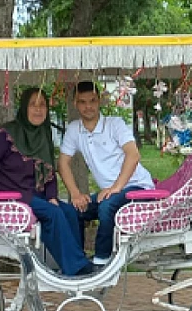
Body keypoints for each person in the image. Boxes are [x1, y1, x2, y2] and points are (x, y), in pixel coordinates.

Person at [0, 87, 92, 277]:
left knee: (69, 211)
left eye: (42, 105)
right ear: (24, 108)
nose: (38, 110)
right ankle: (76, 268)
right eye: (33, 105)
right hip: (8, 195)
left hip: (32, 194)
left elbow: (49, 169)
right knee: (53, 214)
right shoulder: (6, 133)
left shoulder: (43, 134)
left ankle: (76, 261)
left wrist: (52, 195)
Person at [58, 81, 155, 267]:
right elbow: (63, 163)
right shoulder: (74, 129)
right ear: (75, 104)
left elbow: (133, 155)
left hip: (137, 187)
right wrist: (76, 194)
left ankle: (102, 262)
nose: (88, 106)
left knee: (106, 208)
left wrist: (116, 187)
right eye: (82, 102)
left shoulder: (115, 124)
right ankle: (78, 261)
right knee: (74, 211)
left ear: (100, 100)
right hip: (112, 192)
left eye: (93, 100)